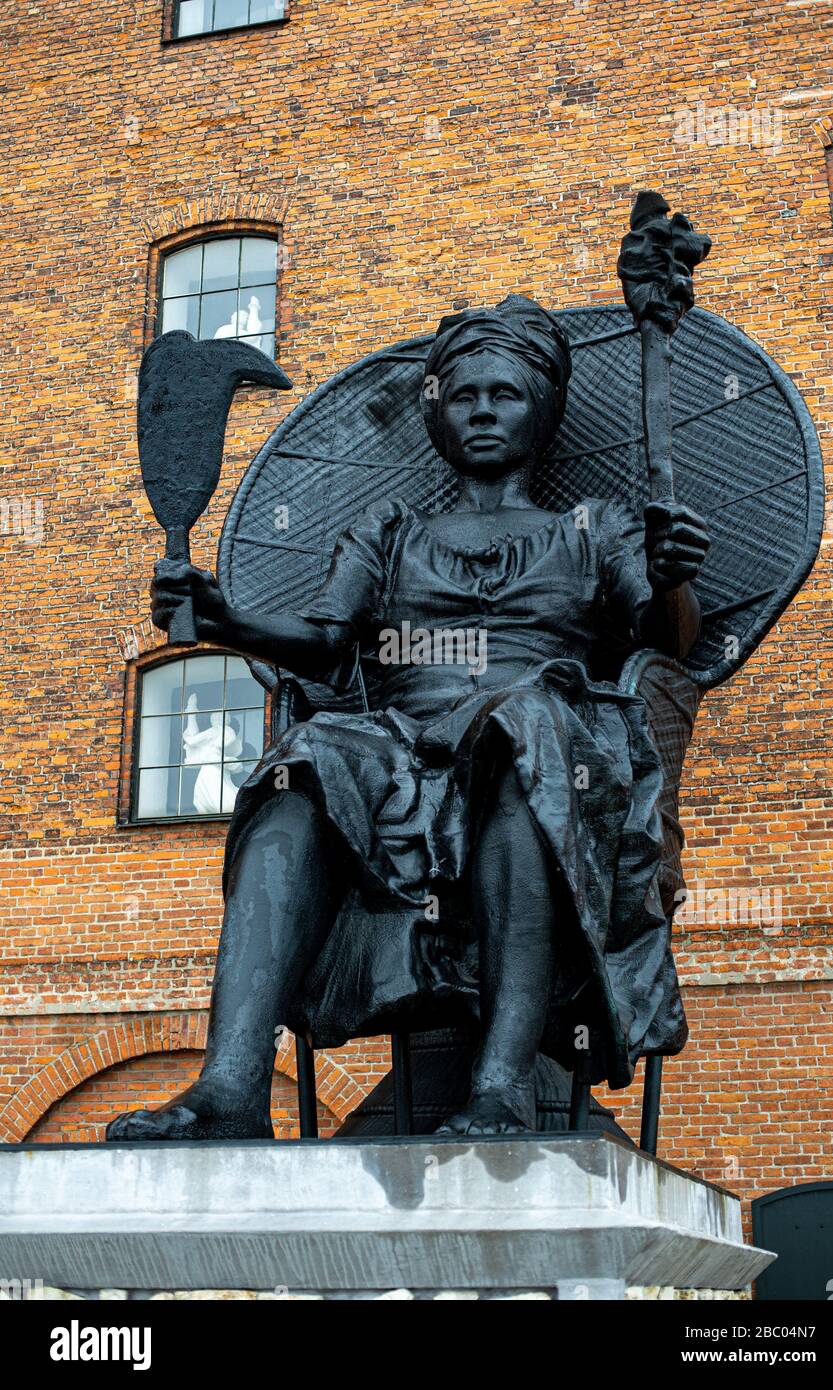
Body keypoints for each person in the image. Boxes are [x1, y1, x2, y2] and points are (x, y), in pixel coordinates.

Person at [107, 294, 709, 1141]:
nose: (485, 411)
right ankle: (231, 1087)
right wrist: (222, 617)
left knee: (520, 727)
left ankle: (499, 1084)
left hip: (546, 739)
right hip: (399, 747)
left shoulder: (594, 528)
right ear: (436, 413)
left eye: (506, 394)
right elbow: (324, 643)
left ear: (542, 410)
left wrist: (674, 574)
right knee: (302, 761)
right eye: (463, 396)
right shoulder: (390, 530)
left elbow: (665, 635)